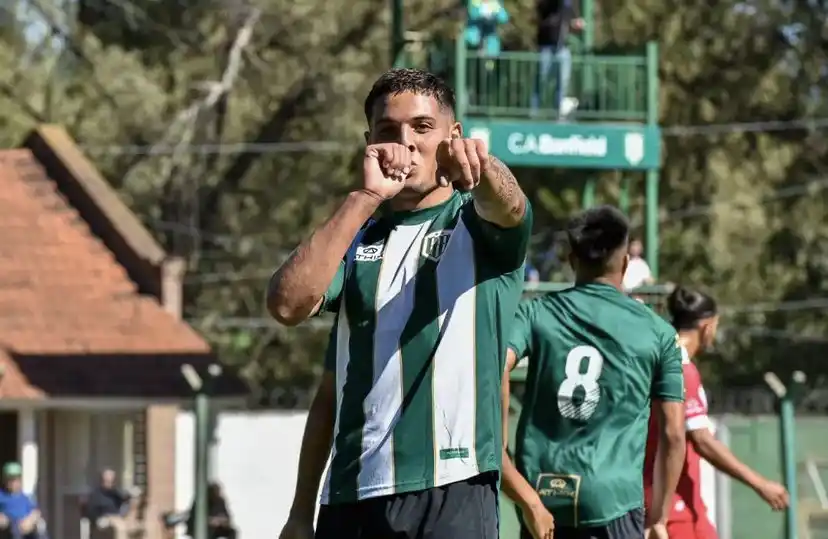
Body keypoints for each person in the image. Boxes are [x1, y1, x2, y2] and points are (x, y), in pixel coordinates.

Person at [268, 68, 532, 539]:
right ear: (368, 141)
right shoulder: (353, 239)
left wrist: (484, 168)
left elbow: (510, 207)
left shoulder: (478, 226)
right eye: (389, 131)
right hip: (351, 493)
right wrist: (298, 511)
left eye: (422, 128)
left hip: (453, 486)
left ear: (452, 137)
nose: (406, 143)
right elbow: (287, 306)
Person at [500, 205, 686, 539]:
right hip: (613, 502)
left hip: (542, 499)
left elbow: (497, 365)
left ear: (572, 260)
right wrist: (658, 514)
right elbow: (673, 434)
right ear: (626, 263)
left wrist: (498, 449)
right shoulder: (658, 332)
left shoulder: (535, 313)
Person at [643, 286, 790, 539]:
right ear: (707, 326)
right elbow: (701, 439)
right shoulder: (680, 369)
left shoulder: (655, 359)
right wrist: (760, 484)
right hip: (675, 510)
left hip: (656, 502)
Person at [533, 0, 585, 119]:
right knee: (541, 79)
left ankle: (559, 114)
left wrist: (576, 23)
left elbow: (570, 19)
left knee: (563, 82)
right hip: (546, 45)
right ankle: (535, 112)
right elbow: (543, 10)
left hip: (563, 47)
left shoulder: (569, 3)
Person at [0, 462, 42, 539]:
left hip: (27, 528)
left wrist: (30, 520)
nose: (13, 483)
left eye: (16, 479)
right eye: (10, 480)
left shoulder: (26, 497)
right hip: (10, 528)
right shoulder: (2, 495)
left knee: (40, 531)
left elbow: (36, 512)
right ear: (4, 480)